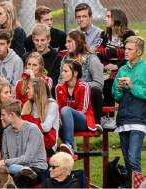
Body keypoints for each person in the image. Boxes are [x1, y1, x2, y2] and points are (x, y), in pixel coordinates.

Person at [0, 99, 47, 187]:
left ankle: (25, 171)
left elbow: (27, 159)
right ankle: (20, 169)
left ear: (12, 115)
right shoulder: (6, 132)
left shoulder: (33, 130)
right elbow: (5, 157)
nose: (1, 118)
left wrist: (5, 162)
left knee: (19, 177)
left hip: (36, 168)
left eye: (3, 115)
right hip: (13, 167)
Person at [112, 36, 146, 174]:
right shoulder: (122, 70)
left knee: (133, 158)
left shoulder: (144, 68)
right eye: (125, 48)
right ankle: (131, 184)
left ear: (139, 52)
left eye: (129, 49)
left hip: (139, 119)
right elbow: (115, 95)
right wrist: (119, 89)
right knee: (127, 160)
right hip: (123, 119)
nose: (125, 51)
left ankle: (138, 186)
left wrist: (132, 86)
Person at [97, 8, 136, 127]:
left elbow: (130, 55)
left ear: (117, 19)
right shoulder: (104, 35)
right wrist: (113, 55)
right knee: (100, 82)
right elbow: (98, 53)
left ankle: (111, 118)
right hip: (106, 68)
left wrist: (116, 64)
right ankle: (102, 117)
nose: (105, 19)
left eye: (108, 16)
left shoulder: (128, 34)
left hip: (124, 68)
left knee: (110, 83)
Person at [60, 30, 104, 126]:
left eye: (69, 41)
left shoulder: (91, 59)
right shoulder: (65, 60)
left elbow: (99, 83)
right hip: (69, 94)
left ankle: (96, 124)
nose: (66, 45)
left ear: (78, 42)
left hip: (87, 97)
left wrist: (79, 87)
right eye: (66, 42)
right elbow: (60, 80)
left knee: (96, 90)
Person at [55, 60, 96, 156]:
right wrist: (62, 119)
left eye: (66, 71)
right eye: (62, 71)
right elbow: (58, 108)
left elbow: (83, 109)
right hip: (66, 122)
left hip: (82, 121)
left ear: (75, 73)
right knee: (61, 113)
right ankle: (65, 149)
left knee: (65, 110)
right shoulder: (58, 88)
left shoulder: (84, 86)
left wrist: (67, 115)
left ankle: (69, 145)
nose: (62, 74)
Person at [21, 78, 59, 156]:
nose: (26, 91)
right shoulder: (27, 105)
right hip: (30, 144)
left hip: (47, 145)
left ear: (37, 89)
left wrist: (29, 125)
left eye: (29, 88)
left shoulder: (51, 105)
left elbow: (46, 128)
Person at [23, 24, 62, 90]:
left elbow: (53, 85)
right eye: (37, 40)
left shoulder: (56, 58)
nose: (39, 44)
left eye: (42, 40)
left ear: (49, 39)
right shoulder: (27, 57)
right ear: (32, 39)